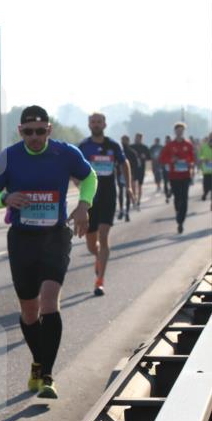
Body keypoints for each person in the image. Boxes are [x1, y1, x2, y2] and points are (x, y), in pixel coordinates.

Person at [0, 105, 97, 399]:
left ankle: (47, 375)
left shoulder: (65, 152)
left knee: (49, 302)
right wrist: (6, 197)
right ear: (20, 131)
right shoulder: (9, 156)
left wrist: (84, 205)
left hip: (55, 236)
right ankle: (38, 361)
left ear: (49, 130)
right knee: (29, 311)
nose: (35, 137)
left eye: (41, 131)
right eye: (28, 132)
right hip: (22, 239)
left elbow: (90, 176)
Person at [78, 113, 132, 297]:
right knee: (92, 244)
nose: (96, 124)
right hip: (89, 198)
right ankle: (97, 257)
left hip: (108, 195)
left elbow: (125, 164)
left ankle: (100, 281)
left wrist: (129, 186)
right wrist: (78, 183)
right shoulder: (84, 146)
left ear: (105, 124)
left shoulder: (113, 145)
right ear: (89, 125)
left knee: (104, 235)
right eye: (93, 122)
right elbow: (73, 168)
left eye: (99, 122)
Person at [159, 122, 197, 234]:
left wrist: (189, 162)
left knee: (184, 198)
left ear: (183, 131)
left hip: (185, 175)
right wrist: (171, 160)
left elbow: (193, 159)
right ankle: (178, 213)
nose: (179, 132)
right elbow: (162, 159)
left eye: (181, 130)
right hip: (174, 176)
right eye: (178, 130)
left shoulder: (188, 145)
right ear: (175, 132)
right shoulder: (170, 145)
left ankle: (180, 221)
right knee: (177, 198)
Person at [130, 133, 150, 210]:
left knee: (140, 185)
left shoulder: (144, 147)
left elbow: (149, 157)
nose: (137, 139)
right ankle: (134, 198)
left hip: (141, 168)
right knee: (133, 184)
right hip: (133, 168)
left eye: (139, 138)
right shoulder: (131, 147)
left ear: (141, 139)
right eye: (136, 138)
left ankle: (139, 200)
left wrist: (144, 157)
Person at [199, 133, 212, 201]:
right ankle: (205, 193)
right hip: (206, 170)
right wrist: (204, 159)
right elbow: (200, 156)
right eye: (211, 137)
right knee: (206, 185)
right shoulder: (204, 146)